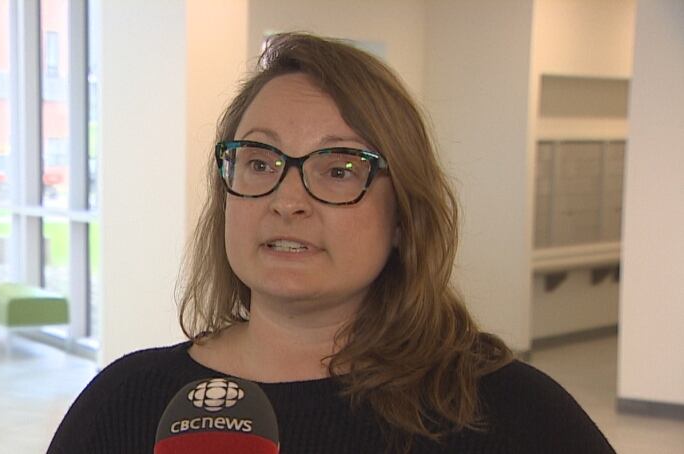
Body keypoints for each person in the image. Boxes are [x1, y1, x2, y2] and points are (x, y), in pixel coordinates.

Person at [48, 33, 614, 454]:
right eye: (260, 161)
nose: (287, 200)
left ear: (402, 216)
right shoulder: (126, 401)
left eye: (340, 169)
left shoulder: (504, 411)